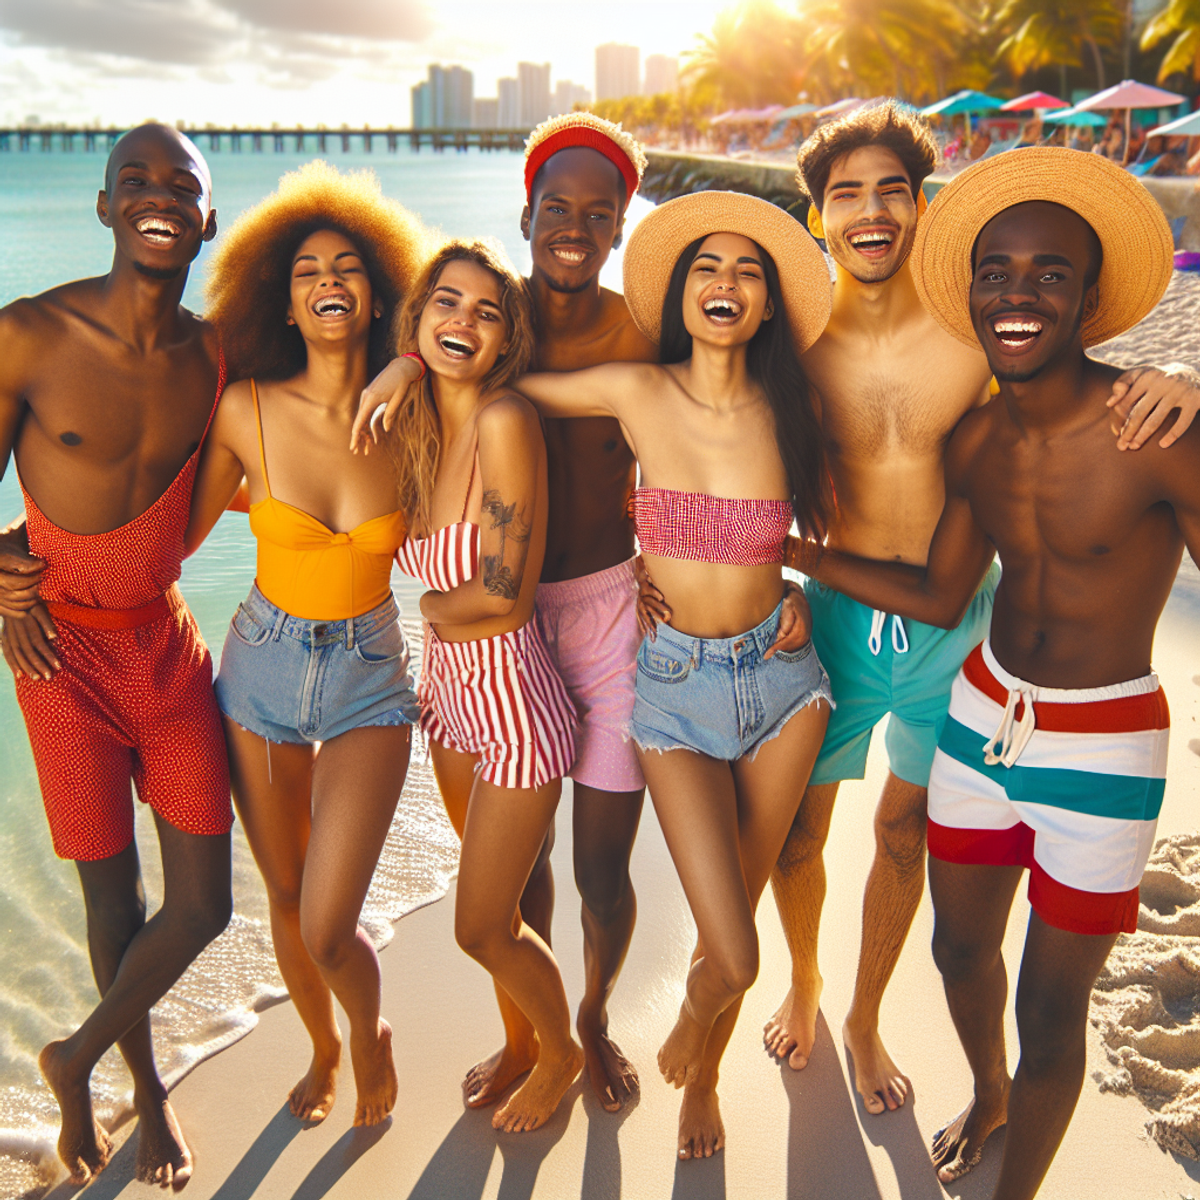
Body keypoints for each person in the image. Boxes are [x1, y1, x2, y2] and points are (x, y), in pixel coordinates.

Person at [757, 101, 1200, 1116]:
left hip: (957, 623)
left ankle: (863, 1017)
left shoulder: (972, 330)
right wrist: (752, 569)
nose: (870, 212)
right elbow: (711, 437)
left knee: (906, 836)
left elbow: (1081, 389)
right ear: (817, 213)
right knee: (797, 840)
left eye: (891, 191)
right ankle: (806, 979)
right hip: (835, 609)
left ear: (920, 208)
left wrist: (1182, 372)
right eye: (846, 194)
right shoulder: (796, 340)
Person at [515, 191, 834, 1159]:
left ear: (770, 304)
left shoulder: (797, 406)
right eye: (706, 268)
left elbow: (843, 517)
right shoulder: (637, 388)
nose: (725, 284)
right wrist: (406, 362)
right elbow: (490, 383)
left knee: (733, 910)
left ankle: (704, 1078)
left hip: (783, 688)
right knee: (731, 947)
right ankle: (701, 1021)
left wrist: (802, 586)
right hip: (671, 690)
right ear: (681, 295)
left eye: (746, 271)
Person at [0, 124, 232, 1187]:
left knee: (205, 906)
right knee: (111, 898)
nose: (156, 195)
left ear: (206, 219)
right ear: (102, 208)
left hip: (166, 646)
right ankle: (144, 1091)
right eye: (132, 180)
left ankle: (73, 1054)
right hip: (59, 661)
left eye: (180, 184)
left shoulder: (218, 355)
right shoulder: (29, 337)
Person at [183, 162, 429, 1126]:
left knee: (330, 923)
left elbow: (502, 329)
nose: (328, 280)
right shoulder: (244, 409)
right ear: (281, 302)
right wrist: (35, 569)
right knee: (284, 897)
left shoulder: (418, 416)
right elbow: (175, 540)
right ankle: (325, 1048)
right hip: (260, 670)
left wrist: (412, 361)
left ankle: (370, 1035)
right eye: (304, 271)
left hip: (371, 675)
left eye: (348, 267)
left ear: (378, 294)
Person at [388, 240, 584, 1134]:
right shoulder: (416, 431)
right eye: (444, 302)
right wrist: (393, 370)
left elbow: (505, 598)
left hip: (514, 714)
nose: (462, 320)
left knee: (478, 927)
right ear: (419, 318)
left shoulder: (506, 420)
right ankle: (520, 1044)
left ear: (507, 340)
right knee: (506, 903)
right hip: (449, 706)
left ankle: (565, 1052)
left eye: (486, 310)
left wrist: (429, 604)